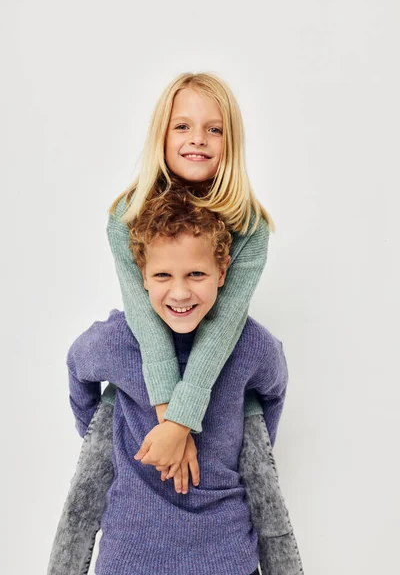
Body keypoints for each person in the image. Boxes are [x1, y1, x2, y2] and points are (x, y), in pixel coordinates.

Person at [61, 187, 301, 575]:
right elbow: (77, 368)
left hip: (226, 554)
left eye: (196, 274)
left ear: (222, 273)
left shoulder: (251, 345)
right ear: (141, 275)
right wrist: (105, 433)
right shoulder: (117, 339)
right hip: (130, 554)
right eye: (162, 275)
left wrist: (244, 443)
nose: (180, 291)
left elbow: (274, 391)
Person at [106, 71, 276, 484]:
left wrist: (181, 424)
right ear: (161, 135)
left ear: (229, 141)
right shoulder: (124, 216)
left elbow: (222, 326)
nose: (197, 138)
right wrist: (168, 420)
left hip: (214, 355)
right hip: (157, 348)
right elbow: (144, 321)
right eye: (182, 126)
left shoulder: (250, 227)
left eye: (213, 129)